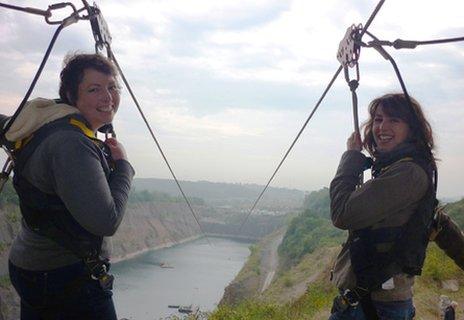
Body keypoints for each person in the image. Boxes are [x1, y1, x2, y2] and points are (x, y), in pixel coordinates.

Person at [3, 53, 135, 319]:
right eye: (94, 89)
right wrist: (123, 167)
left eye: (112, 87)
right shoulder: (71, 143)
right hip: (64, 276)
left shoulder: (48, 122)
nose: (108, 97)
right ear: (72, 96)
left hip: (35, 269)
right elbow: (106, 221)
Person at [328, 93, 437, 320]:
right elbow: (438, 221)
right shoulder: (403, 169)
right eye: (378, 119)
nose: (382, 127)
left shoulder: (407, 173)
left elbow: (341, 214)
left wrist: (350, 157)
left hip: (373, 306)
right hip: (377, 303)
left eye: (394, 120)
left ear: (412, 128)